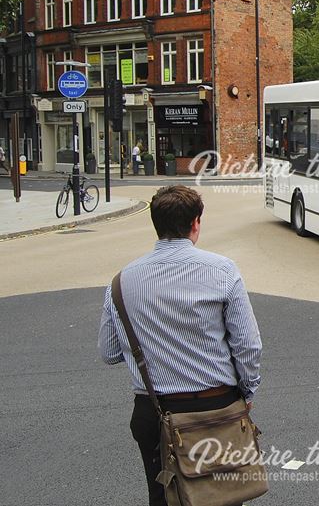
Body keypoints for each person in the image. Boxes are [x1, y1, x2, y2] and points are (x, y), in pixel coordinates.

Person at [98, 185, 262, 506]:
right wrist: (248, 391)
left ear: (156, 224)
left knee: (165, 497)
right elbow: (248, 346)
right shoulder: (222, 270)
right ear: (196, 223)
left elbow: (109, 352)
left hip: (155, 412)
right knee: (223, 498)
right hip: (216, 410)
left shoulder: (120, 282)